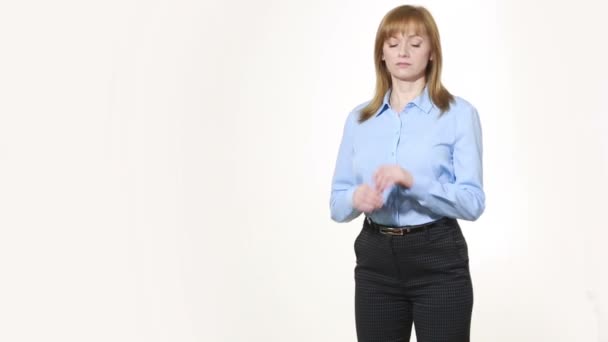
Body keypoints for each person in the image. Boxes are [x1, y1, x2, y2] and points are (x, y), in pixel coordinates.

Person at [329, 5, 485, 342]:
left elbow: (473, 202)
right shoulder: (359, 120)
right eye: (393, 43)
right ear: (381, 53)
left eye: (415, 44)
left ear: (431, 54)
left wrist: (414, 182)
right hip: (375, 260)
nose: (403, 52)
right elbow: (337, 205)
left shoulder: (458, 114)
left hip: (438, 258)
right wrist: (356, 197)